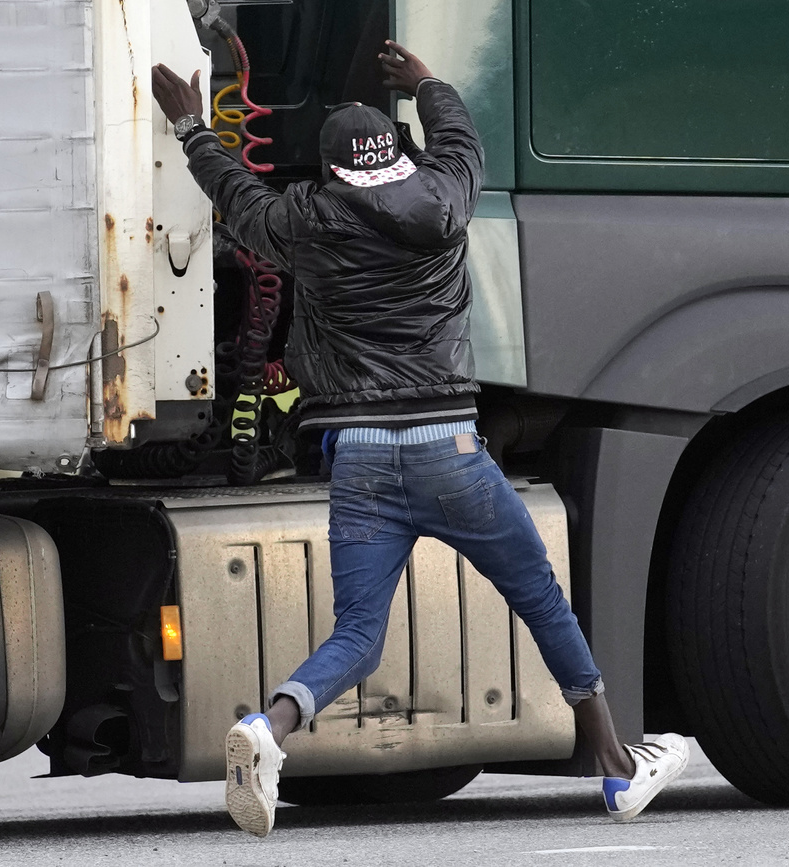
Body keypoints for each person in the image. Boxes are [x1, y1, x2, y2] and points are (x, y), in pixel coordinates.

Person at [150, 41, 689, 838]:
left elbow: (241, 199)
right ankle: (615, 766)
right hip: (451, 453)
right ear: (398, 156)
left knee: (358, 636)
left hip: (360, 456)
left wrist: (194, 126)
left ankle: (269, 729)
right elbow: (463, 142)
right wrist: (428, 84)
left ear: (333, 171)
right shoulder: (444, 199)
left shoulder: (308, 221)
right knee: (538, 593)